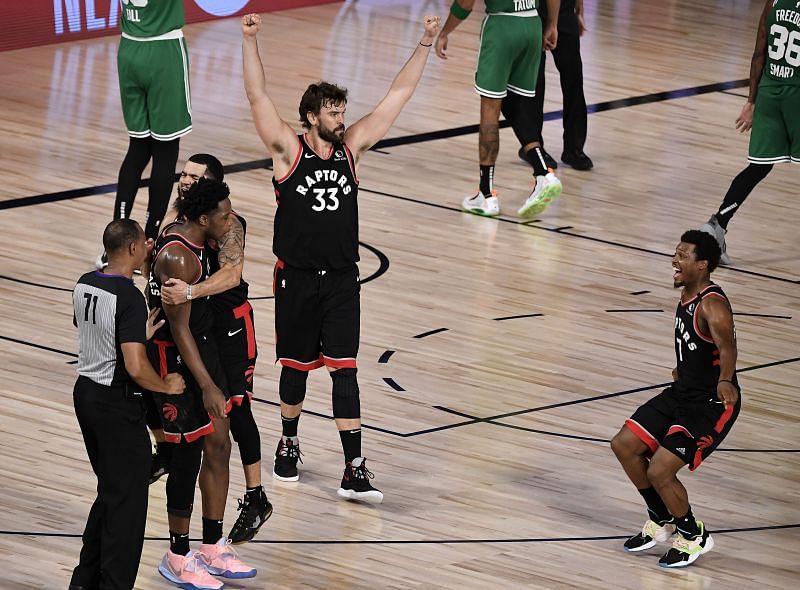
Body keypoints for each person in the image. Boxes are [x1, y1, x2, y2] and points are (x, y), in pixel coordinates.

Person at [241, 12, 441, 503]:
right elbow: (257, 97)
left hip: (341, 281)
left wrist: (425, 41)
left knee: (345, 370)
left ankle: (354, 467)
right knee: (294, 368)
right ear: (312, 117)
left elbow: (397, 97)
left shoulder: (351, 149)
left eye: (342, 111)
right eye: (332, 112)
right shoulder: (289, 152)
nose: (341, 119)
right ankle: (288, 443)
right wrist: (250, 41)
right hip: (296, 279)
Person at [146, 179, 255, 588]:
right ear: (204, 218)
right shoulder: (178, 256)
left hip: (202, 342)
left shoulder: (206, 237)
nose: (231, 220)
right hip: (176, 353)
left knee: (220, 442)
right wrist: (208, 384)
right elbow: (178, 331)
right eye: (225, 215)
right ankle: (176, 553)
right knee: (187, 455)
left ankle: (212, 545)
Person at [610, 230, 741, 568]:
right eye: (676, 253)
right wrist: (684, 368)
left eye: (682, 256)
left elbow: (727, 347)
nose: (674, 261)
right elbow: (702, 347)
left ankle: (694, 534)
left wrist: (725, 380)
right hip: (684, 392)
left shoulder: (712, 304)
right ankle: (661, 517)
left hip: (711, 403)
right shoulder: (687, 293)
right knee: (624, 445)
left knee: (661, 471)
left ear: (703, 265)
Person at [161, 154, 273, 544]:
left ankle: (256, 494)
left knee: (235, 408)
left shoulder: (230, 224)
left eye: (195, 175)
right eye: (185, 173)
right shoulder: (178, 221)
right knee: (209, 418)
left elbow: (232, 274)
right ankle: (166, 449)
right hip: (201, 327)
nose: (186, 179)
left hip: (230, 325)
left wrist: (191, 291)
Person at [69, 219, 185, 590]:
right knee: (128, 508)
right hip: (115, 406)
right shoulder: (130, 297)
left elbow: (89, 326)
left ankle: (84, 580)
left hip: (85, 395)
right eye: (144, 245)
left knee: (110, 493)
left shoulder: (85, 281)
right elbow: (135, 367)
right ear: (134, 249)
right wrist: (166, 384)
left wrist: (136, 332)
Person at [435, 0, 563, 218]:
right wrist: (552, 23)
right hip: (532, 24)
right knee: (515, 106)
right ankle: (543, 171)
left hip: (503, 27)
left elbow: (465, 4)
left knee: (490, 111)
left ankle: (486, 194)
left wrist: (445, 31)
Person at [701, 0, 800, 265]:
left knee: (758, 168)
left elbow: (759, 54)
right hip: (796, 96)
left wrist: (751, 101)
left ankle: (716, 226)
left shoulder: (774, 2)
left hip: (769, 93)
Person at [97, 0, 192, 269]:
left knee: (138, 148)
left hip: (129, 48)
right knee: (165, 151)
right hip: (163, 51)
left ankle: (113, 247)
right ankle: (150, 242)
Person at [509, 0, 593, 171]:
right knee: (535, 80)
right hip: (534, 10)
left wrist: (579, 10)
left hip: (564, 10)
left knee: (574, 78)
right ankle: (533, 147)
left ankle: (574, 149)